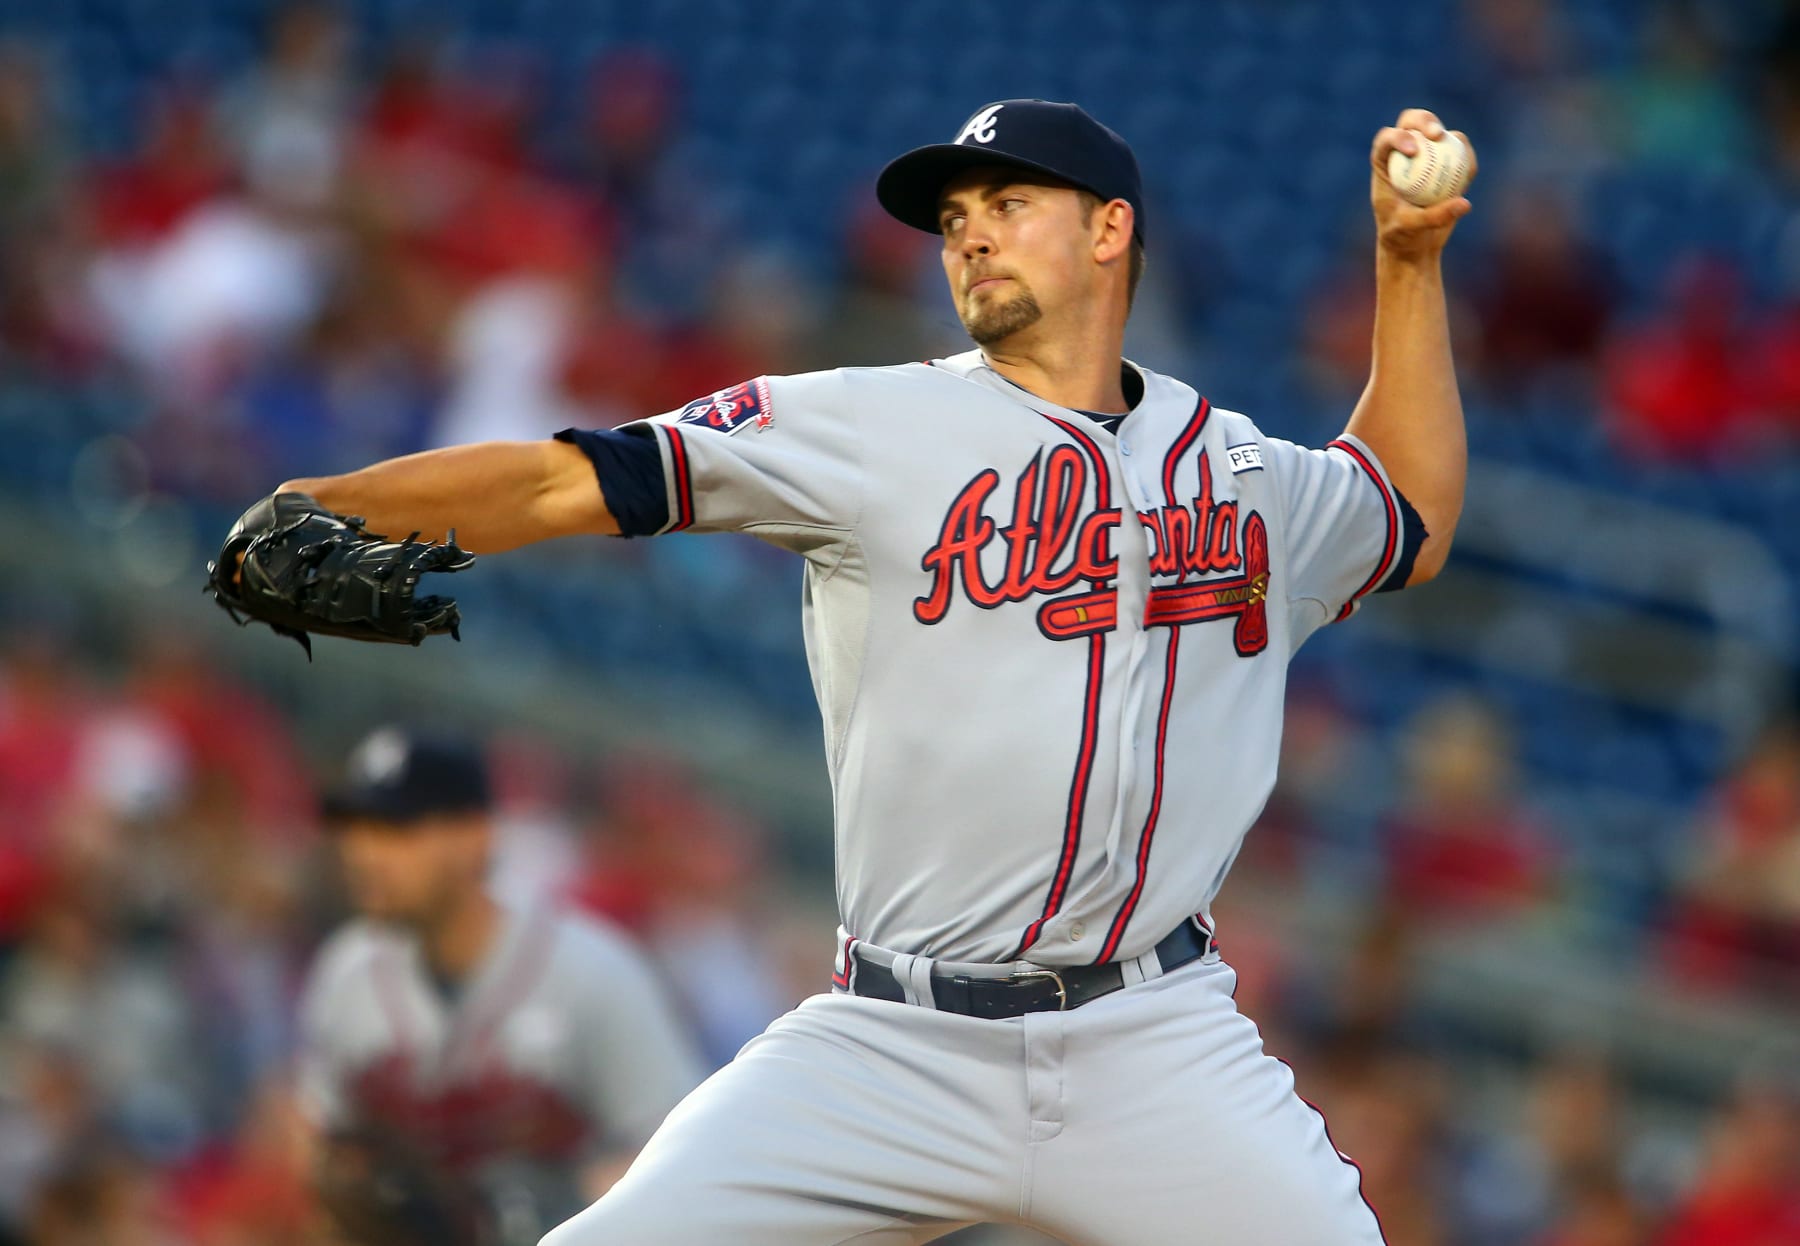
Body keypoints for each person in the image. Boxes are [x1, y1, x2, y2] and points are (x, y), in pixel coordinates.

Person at [254, 100, 1473, 1243]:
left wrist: (1407, 264)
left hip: (1151, 1034)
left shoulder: (1242, 473)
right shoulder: (858, 425)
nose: (971, 235)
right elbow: (562, 478)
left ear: (1112, 231)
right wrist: (329, 509)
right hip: (896, 1042)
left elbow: (1406, 509)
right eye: (954, 220)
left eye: (1008, 203)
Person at [293, 727, 704, 1245]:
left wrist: (574, 1202)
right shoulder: (345, 972)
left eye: (398, 828)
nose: (365, 853)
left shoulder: (596, 970)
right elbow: (320, 1140)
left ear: (476, 836)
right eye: (357, 827)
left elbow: (678, 1157)